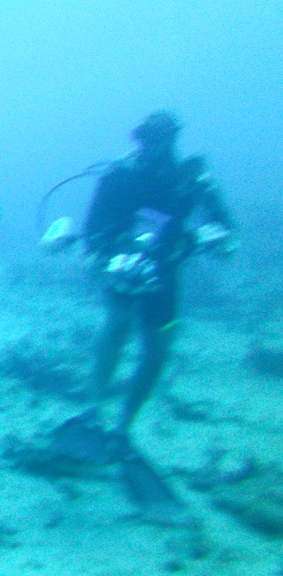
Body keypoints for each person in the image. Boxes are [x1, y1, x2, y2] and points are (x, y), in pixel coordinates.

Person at [82, 110, 236, 444]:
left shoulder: (191, 177)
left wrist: (211, 238)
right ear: (137, 138)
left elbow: (222, 222)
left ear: (173, 138)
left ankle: (123, 427)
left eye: (161, 136)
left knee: (158, 349)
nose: (152, 144)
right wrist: (106, 259)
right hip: (121, 265)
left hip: (165, 272)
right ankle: (93, 411)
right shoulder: (118, 175)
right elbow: (92, 229)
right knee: (118, 324)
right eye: (146, 137)